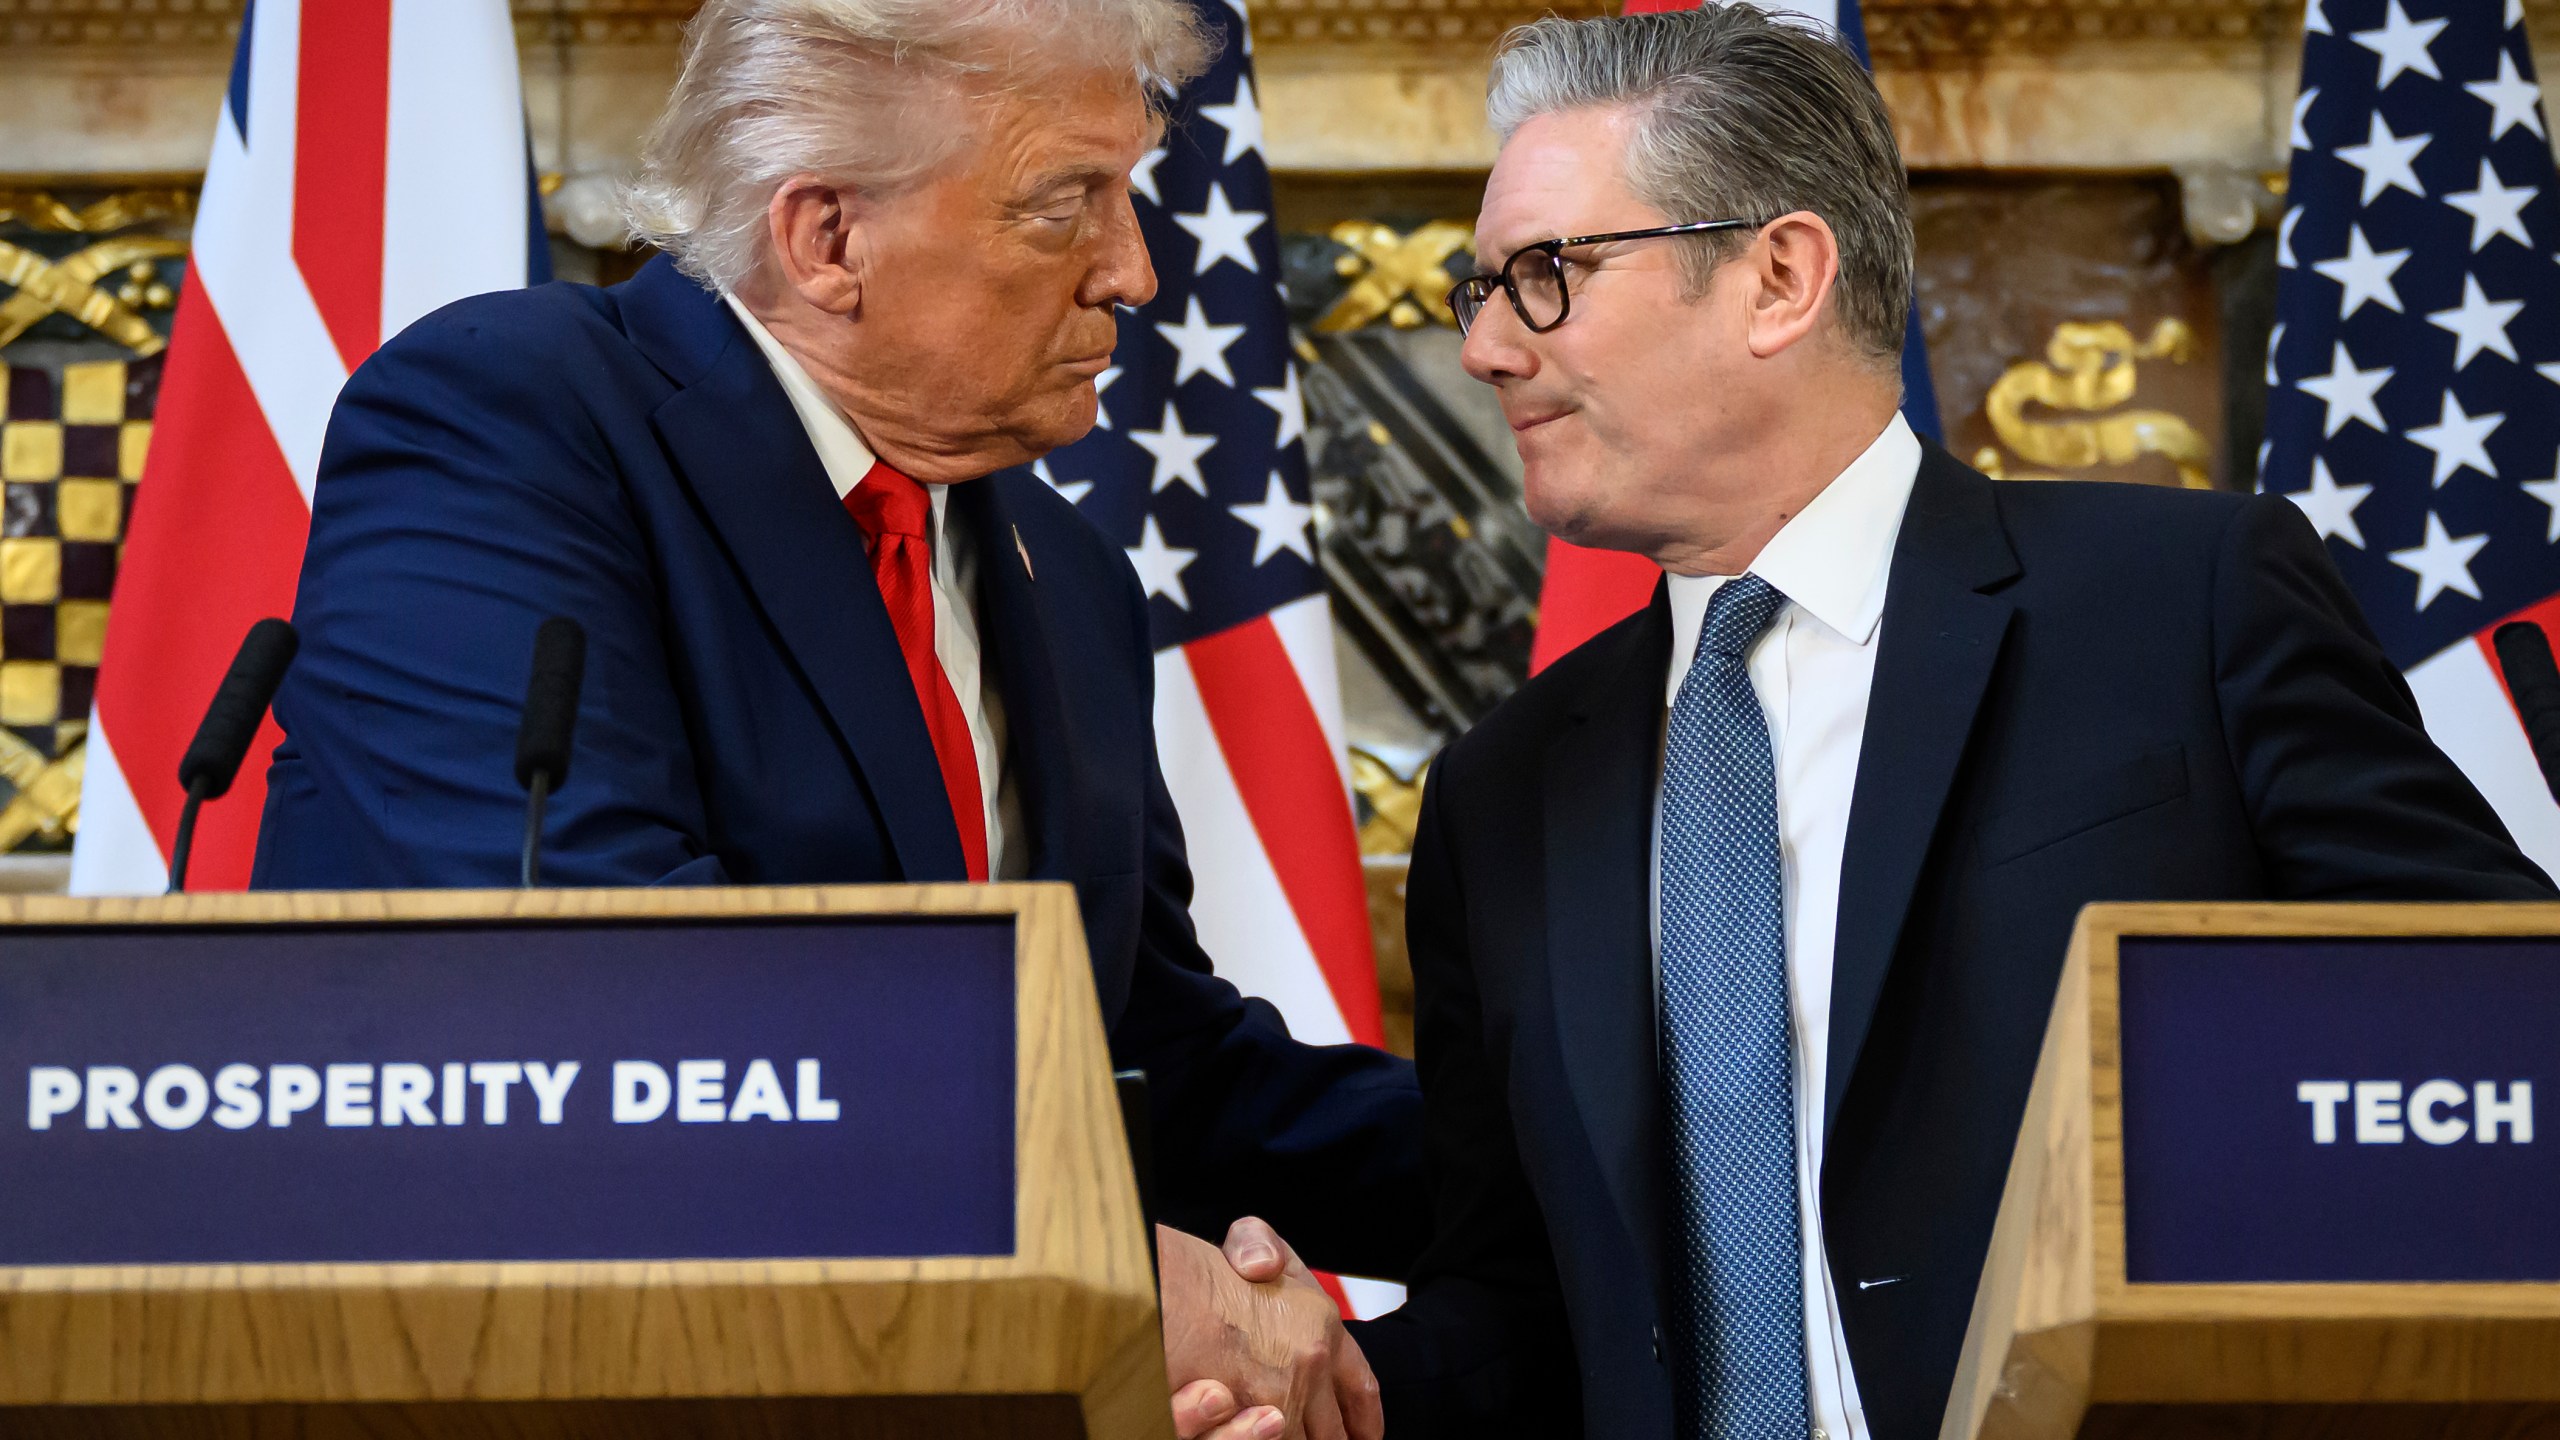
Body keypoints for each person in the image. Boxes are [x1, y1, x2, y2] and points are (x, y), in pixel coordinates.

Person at [1345, 9, 2556, 1439]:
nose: (1485, 347)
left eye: (1546, 275)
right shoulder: (1505, 795)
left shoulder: (2187, 607)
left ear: (1779, 277)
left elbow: (2497, 1064)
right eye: (1481, 288)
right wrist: (1336, 1381)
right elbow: (1527, 1305)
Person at [247, 2, 1420, 1436]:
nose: (1136, 269)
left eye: (1134, 197)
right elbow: (590, 981)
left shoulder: (1069, 580)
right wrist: (1100, 1267)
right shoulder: (510, 420)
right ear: (828, 241)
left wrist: (1612, 1170)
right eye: (1069, 206)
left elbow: (1142, 1059)